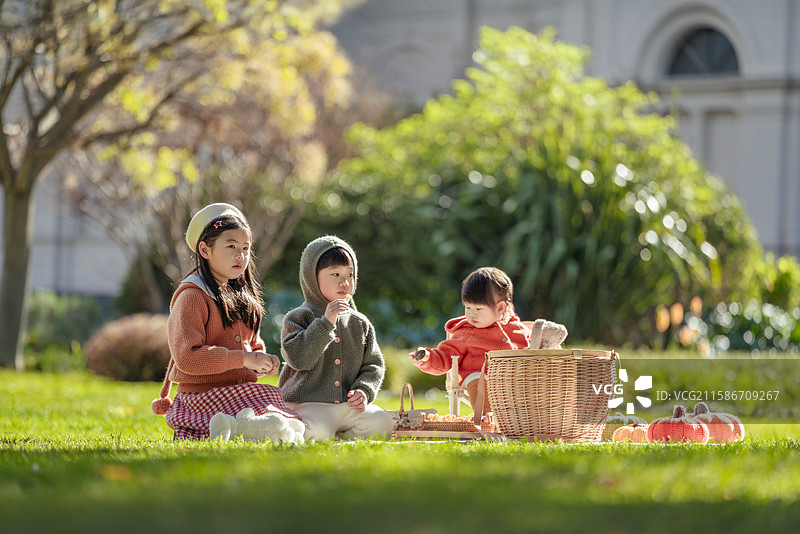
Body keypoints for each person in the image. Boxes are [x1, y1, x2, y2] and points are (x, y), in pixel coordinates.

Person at [151, 203, 301, 441]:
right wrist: (244, 358)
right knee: (272, 425)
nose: (240, 255)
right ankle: (237, 428)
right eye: (231, 246)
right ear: (205, 249)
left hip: (239, 392)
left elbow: (252, 344)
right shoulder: (193, 295)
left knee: (289, 417)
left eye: (245, 248)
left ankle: (254, 427)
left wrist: (260, 359)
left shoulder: (243, 296)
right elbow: (188, 357)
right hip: (202, 397)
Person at [279, 235, 394, 441]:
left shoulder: (360, 323)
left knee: (382, 423)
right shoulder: (298, 317)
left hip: (347, 407)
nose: (345, 282)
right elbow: (299, 359)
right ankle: (289, 427)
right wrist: (326, 323)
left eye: (350, 274)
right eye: (335, 274)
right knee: (318, 433)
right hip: (309, 404)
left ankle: (338, 433)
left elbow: (373, 365)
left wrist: (364, 391)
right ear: (312, 278)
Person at [409, 267, 531, 417]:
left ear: (500, 307)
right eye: (468, 307)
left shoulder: (517, 329)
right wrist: (427, 357)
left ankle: (531, 421)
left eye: (479, 309)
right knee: (477, 380)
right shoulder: (466, 333)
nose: (472, 314)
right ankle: (486, 418)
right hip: (480, 380)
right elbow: (445, 357)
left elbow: (533, 350)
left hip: (513, 383)